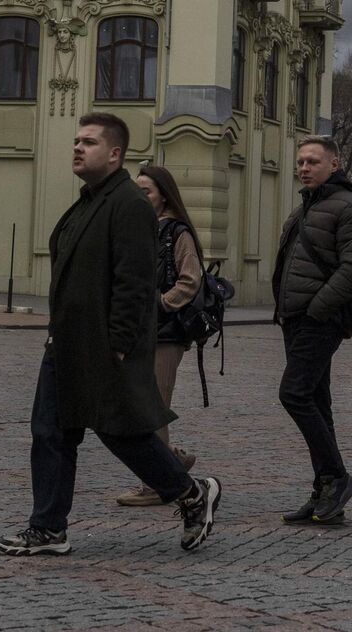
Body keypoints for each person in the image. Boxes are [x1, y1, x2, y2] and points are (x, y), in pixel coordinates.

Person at [0, 113, 221, 556]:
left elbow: (135, 283)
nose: (78, 148)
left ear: (115, 154)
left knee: (122, 433)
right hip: (68, 341)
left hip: (104, 345)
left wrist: (118, 343)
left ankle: (192, 493)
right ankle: (49, 528)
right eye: (77, 141)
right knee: (51, 432)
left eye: (90, 142)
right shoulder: (88, 201)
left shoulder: (129, 204)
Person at [271, 135, 352, 525]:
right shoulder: (305, 208)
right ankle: (325, 492)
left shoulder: (350, 208)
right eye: (300, 161)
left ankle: (337, 477)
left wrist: (318, 309)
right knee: (316, 400)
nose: (304, 168)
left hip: (320, 318)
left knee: (294, 393)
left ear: (334, 164)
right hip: (295, 318)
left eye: (313, 161)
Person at [115, 164, 206, 506]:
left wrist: (162, 305)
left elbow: (190, 279)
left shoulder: (176, 232)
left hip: (165, 334)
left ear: (163, 196)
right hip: (138, 332)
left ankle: (155, 484)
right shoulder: (141, 228)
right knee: (140, 405)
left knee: (152, 407)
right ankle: (172, 461)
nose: (141, 197)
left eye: (147, 191)